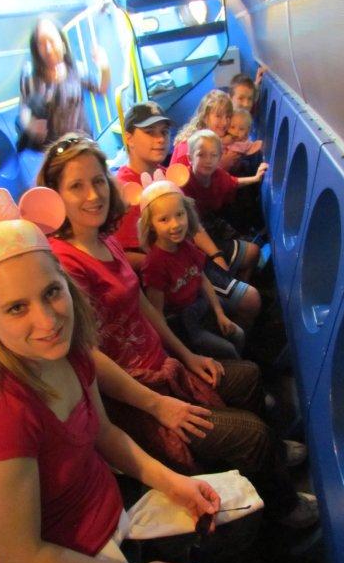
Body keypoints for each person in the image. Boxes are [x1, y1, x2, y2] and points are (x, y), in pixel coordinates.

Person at [0, 188, 222, 563]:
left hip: (117, 527)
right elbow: (21, 560)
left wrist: (173, 483)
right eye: (17, 308)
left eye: (51, 292)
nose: (47, 322)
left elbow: (105, 434)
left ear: (66, 284)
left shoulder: (71, 353)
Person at [37, 134, 317, 527]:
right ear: (55, 196)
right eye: (76, 186)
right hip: (133, 393)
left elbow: (142, 306)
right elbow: (85, 352)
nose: (93, 195)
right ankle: (280, 508)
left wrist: (187, 356)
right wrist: (157, 405)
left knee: (248, 376)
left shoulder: (105, 241)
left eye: (98, 181)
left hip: (162, 366)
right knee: (251, 433)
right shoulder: (64, 263)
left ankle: (264, 464)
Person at [117, 102, 259, 325]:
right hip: (175, 272)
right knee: (251, 300)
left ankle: (224, 317)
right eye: (150, 132)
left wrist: (215, 255)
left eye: (164, 132)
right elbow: (123, 256)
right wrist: (175, 260)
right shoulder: (125, 190)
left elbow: (193, 223)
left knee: (252, 253)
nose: (160, 139)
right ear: (129, 138)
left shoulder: (164, 173)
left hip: (190, 253)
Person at [138, 177, 245, 360]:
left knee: (239, 334)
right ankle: (237, 366)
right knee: (228, 349)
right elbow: (158, 313)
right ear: (151, 226)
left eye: (179, 214)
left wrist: (219, 313)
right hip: (184, 321)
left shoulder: (186, 246)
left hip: (200, 304)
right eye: (164, 219)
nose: (175, 224)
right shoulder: (154, 264)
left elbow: (202, 279)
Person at [183, 129, 268, 292]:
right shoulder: (184, 182)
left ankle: (240, 285)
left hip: (209, 222)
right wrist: (215, 254)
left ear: (219, 157)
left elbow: (234, 182)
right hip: (192, 233)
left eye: (213, 155)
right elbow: (191, 226)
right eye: (201, 155)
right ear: (190, 158)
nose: (208, 160)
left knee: (253, 248)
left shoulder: (217, 175)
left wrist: (255, 178)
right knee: (252, 251)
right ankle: (234, 289)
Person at [18, 17, 110, 150]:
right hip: (55, 152)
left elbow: (101, 90)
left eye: (51, 41)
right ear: (36, 49)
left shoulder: (76, 69)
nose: (48, 49)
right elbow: (24, 109)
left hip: (84, 146)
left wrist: (104, 67)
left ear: (62, 43)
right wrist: (31, 125)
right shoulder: (30, 77)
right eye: (41, 44)